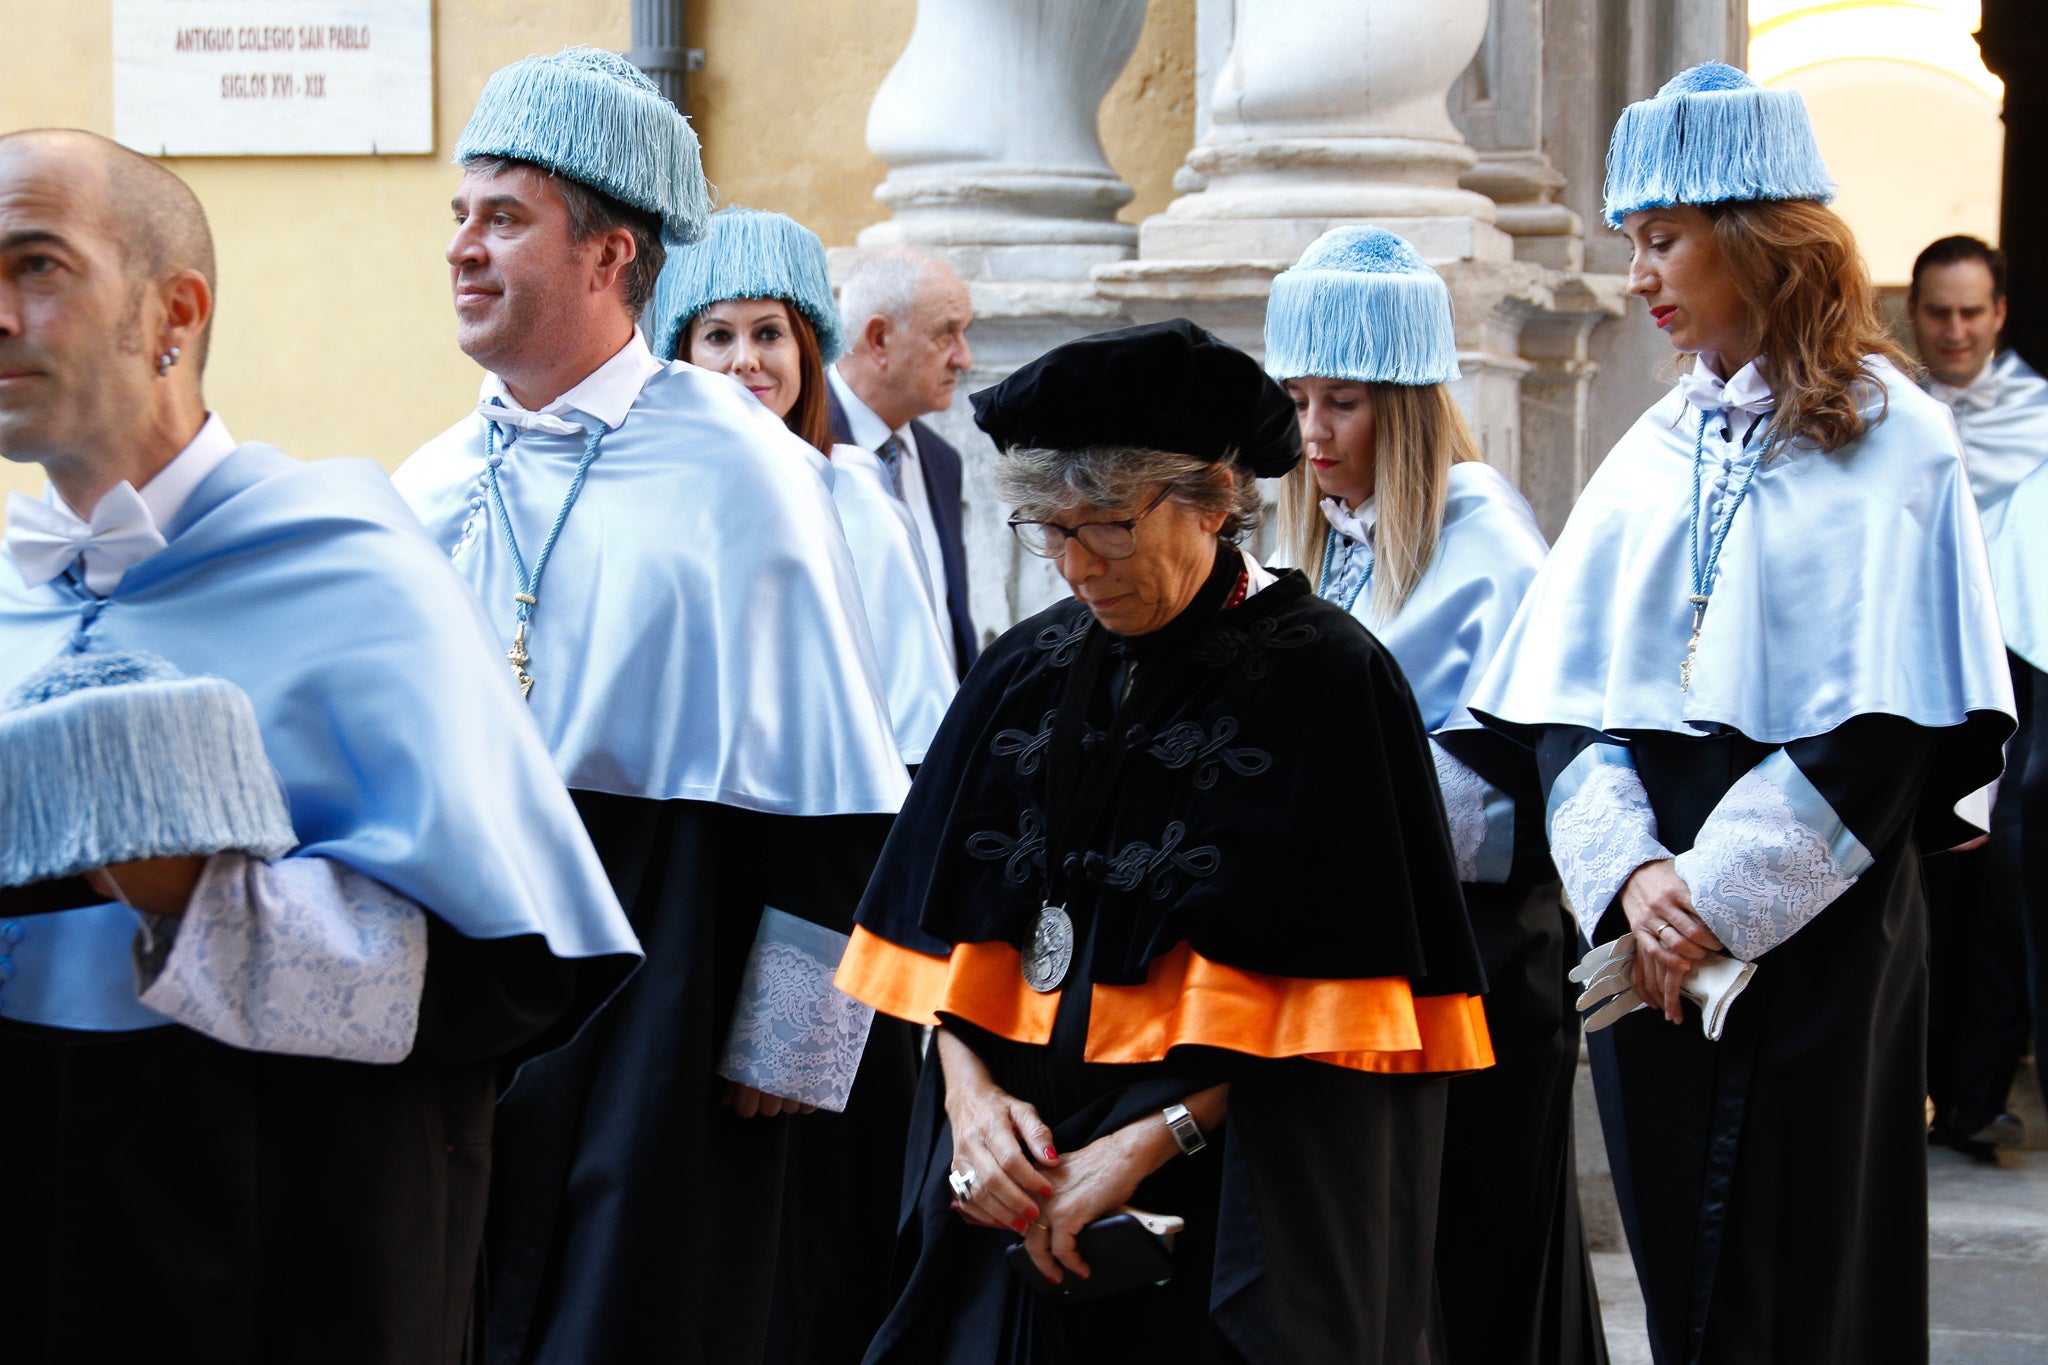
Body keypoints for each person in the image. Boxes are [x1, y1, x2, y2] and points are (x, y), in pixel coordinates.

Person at [0, 129, 640, 1364]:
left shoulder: (355, 572)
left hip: (263, 1242)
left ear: (171, 311)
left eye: (36, 266)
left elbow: (506, 971)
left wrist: (190, 899)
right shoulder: (17, 594)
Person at [1469, 64, 2013, 1364]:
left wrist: (1716, 895)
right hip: (1656, 939)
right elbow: (1560, 704)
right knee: (1676, 1272)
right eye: (1633, 243)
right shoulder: (1651, 446)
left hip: (1816, 936)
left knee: (1801, 1272)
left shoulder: (1900, 441)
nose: (1641, 275)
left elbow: (1892, 732)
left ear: (1758, 239)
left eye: (1664, 240)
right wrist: (1638, 876)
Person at [391, 50, 915, 1365]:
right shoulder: (431, 479)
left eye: (503, 218)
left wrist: (798, 1046)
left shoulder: (743, 471)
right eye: (461, 216)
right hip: (456, 950)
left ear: (611, 254)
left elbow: (841, 794)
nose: (463, 248)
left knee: (643, 1310)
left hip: (669, 947)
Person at [835, 318, 1493, 1363]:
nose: (1075, 567)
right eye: (1049, 531)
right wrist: (970, 1103)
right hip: (1006, 1188)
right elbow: (938, 946)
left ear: (1214, 501)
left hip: (1212, 1205)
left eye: (1107, 528)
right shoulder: (1020, 669)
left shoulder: (1328, 680)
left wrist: (1144, 1147)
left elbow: (1364, 1019)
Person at [1264, 225, 1605, 1365]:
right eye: (1297, 401)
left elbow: (1504, 798)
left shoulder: (1487, 540)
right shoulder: (1326, 541)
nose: (1310, 434)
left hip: (1477, 961)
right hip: (1363, 953)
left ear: (1402, 406)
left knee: (1479, 1248)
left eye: (1341, 405)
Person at [648, 205, 957, 766]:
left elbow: (915, 724)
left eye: (769, 333)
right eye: (718, 335)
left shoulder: (859, 500)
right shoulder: (649, 503)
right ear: (684, 354)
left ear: (806, 353)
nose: (745, 361)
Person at [1911, 235, 2045, 1153]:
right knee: (1921, 873)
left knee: (2006, 878)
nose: (1955, 331)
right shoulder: (1886, 416)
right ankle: (1906, 1087)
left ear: (1998, 314)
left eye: (1971, 312)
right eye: (1938, 313)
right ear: (1913, 316)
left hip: (2021, 667)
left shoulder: (2041, 419)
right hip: (1919, 664)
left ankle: (1978, 1091)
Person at [829, 246, 979, 675]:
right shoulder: (796, 449)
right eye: (946, 334)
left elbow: (948, 624)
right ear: (879, 340)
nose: (965, 358)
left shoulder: (941, 461)